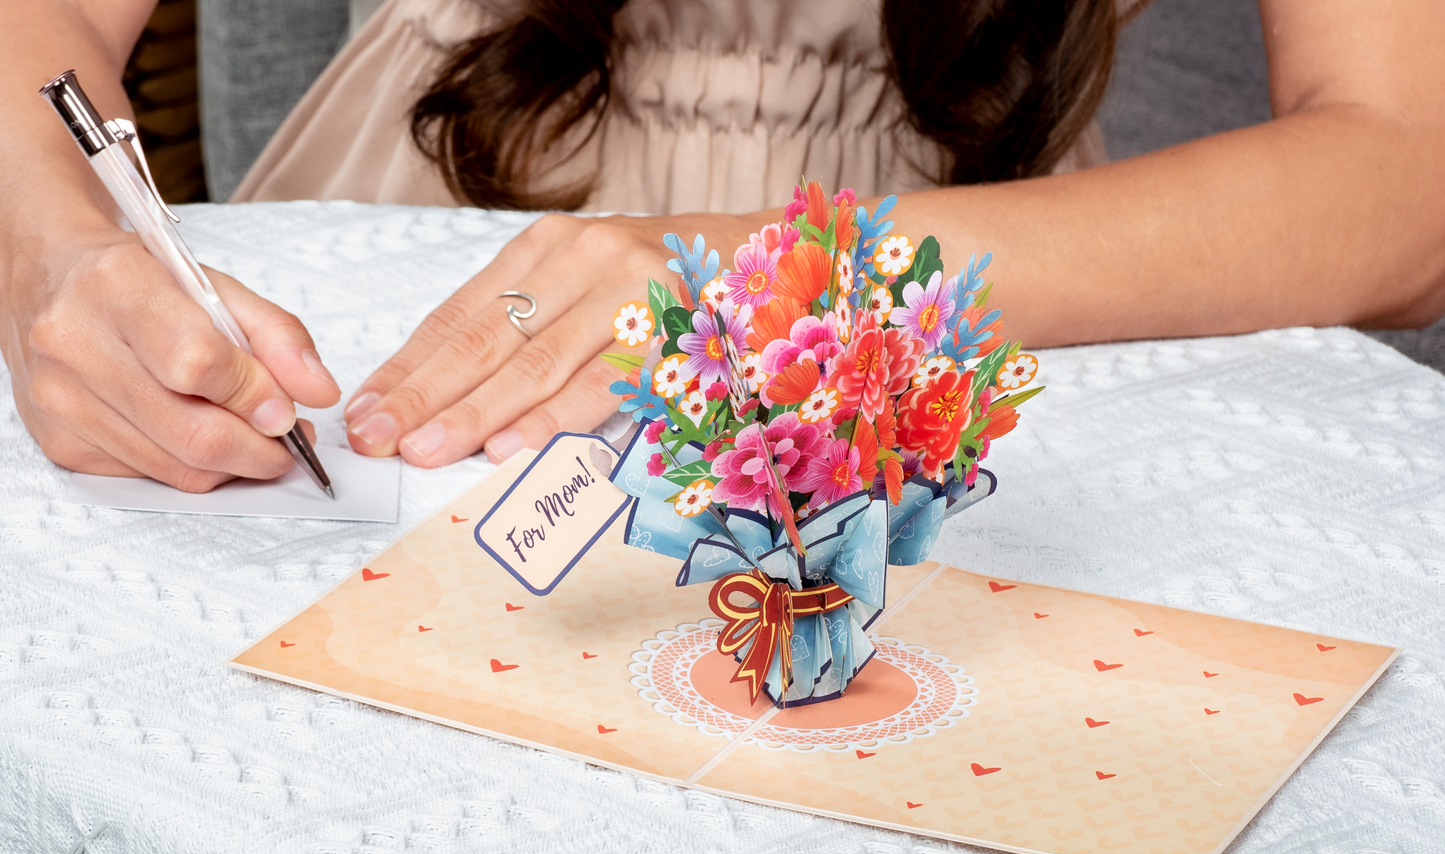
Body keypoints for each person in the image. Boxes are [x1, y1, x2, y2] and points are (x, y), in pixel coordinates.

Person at [2, 0, 1443, 491]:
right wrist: (59, 246)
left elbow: (1406, 174)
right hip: (431, 244)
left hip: (955, 295)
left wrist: (781, 272)